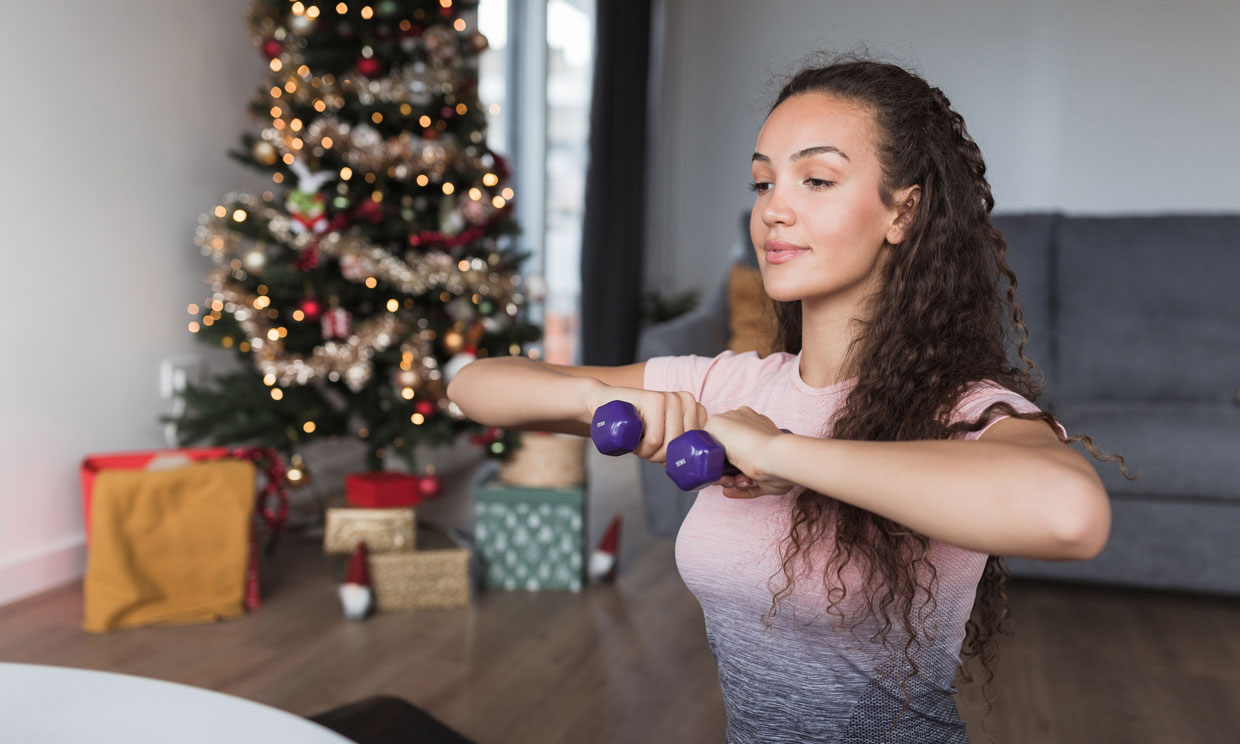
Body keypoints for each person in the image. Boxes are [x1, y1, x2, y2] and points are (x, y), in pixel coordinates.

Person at [447, 51, 1129, 744]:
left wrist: (781, 452)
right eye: (763, 182)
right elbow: (473, 385)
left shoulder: (964, 410)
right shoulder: (729, 385)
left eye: (817, 179)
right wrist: (601, 401)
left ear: (905, 211)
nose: (774, 208)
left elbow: (1071, 515)